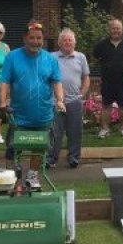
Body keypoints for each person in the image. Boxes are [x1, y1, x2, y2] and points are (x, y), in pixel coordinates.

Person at [0, 20, 65, 190]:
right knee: (13, 148)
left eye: (39, 38)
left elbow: (57, 82)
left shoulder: (50, 59)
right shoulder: (12, 57)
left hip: (43, 115)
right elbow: (5, 82)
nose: (36, 41)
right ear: (25, 38)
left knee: (39, 148)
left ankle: (32, 176)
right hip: (18, 116)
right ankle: (12, 178)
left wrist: (59, 100)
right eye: (32, 38)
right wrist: (2, 103)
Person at [46, 28, 90, 169]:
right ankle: (51, 158)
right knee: (55, 131)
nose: (67, 42)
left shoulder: (81, 57)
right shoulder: (50, 57)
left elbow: (86, 77)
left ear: (74, 43)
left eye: (70, 39)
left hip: (74, 101)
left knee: (75, 131)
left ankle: (73, 158)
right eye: (64, 40)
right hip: (55, 101)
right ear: (59, 43)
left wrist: (81, 95)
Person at [93, 19, 123, 138]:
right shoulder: (102, 45)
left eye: (118, 28)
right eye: (113, 28)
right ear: (109, 30)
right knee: (106, 105)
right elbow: (95, 56)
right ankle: (104, 129)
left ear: (122, 30)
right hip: (107, 82)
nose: (115, 30)